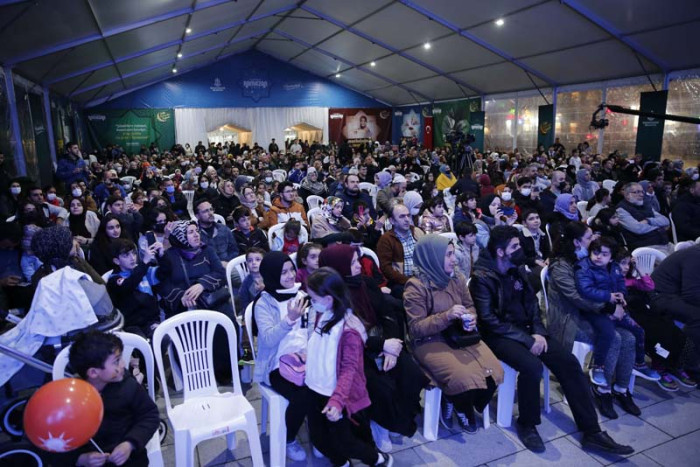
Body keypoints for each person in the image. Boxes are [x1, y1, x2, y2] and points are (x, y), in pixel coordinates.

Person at [470, 226, 634, 455]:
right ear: (500, 252)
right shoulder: (482, 277)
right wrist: (528, 340)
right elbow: (489, 321)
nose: (520, 250)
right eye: (515, 247)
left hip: (528, 331)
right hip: (499, 335)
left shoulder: (517, 269)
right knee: (532, 367)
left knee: (568, 362)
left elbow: (532, 306)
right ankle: (527, 424)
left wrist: (537, 332)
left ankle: (592, 431)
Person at [319, 244, 426, 448]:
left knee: (412, 374)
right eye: (353, 263)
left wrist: (392, 346)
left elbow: (387, 315)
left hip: (381, 342)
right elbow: (345, 338)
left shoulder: (365, 283)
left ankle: (398, 422)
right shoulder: (332, 297)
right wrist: (383, 345)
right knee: (380, 386)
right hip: (353, 354)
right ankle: (381, 423)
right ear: (339, 266)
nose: (359, 266)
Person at [403, 235, 503, 432]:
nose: (454, 259)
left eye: (453, 254)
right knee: (462, 376)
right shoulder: (416, 286)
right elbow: (415, 328)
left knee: (495, 372)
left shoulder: (457, 278)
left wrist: (471, 318)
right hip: (429, 340)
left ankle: (459, 399)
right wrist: (446, 316)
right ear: (433, 257)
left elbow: (469, 305)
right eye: (448, 255)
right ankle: (460, 404)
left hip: (459, 335)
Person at [546, 222, 637, 420]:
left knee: (630, 338)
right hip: (569, 320)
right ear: (577, 242)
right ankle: (602, 391)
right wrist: (610, 307)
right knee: (614, 338)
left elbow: (608, 284)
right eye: (589, 238)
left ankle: (621, 389)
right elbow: (577, 297)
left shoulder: (585, 260)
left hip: (591, 314)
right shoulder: (561, 266)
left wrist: (618, 302)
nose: (593, 240)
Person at [304, 267, 393, 467]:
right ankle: (342, 463)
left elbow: (349, 369)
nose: (311, 302)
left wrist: (337, 400)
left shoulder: (349, 330)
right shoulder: (323, 314)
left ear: (329, 298)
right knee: (318, 436)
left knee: (345, 441)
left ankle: (377, 459)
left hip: (338, 394)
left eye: (314, 298)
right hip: (315, 387)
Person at [574, 237, 659, 396]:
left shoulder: (614, 268)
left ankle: (640, 363)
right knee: (608, 332)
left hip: (613, 306)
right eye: (596, 252)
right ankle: (598, 366)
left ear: (612, 257)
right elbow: (585, 290)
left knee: (639, 330)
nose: (599, 257)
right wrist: (609, 297)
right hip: (594, 310)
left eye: (604, 254)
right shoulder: (583, 267)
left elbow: (621, 284)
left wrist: (621, 296)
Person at [65, 331, 159, 467]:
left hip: (130, 460)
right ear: (93, 372)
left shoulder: (129, 386)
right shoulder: (70, 398)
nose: (123, 364)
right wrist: (80, 459)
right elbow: (56, 441)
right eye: (116, 361)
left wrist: (129, 444)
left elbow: (150, 415)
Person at [252, 251, 313, 462]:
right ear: (271, 275)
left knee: (325, 382)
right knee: (302, 395)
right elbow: (268, 339)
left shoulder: (301, 295)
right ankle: (288, 438)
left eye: (291, 270)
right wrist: (289, 319)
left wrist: (311, 351)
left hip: (304, 358)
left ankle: (321, 435)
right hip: (276, 364)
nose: (290, 276)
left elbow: (310, 330)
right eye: (283, 272)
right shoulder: (263, 303)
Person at [156, 220, 236, 379]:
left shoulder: (207, 251)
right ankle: (195, 376)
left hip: (210, 300)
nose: (196, 235)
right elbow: (162, 284)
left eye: (197, 231)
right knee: (185, 331)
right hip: (184, 305)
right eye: (190, 232)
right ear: (180, 237)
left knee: (226, 321)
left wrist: (202, 285)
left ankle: (225, 371)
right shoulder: (169, 256)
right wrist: (181, 297)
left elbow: (220, 273)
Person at [617, 247, 696, 391]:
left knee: (670, 327)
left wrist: (639, 269)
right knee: (656, 334)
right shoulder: (612, 280)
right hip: (629, 313)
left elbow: (649, 285)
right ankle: (660, 367)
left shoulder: (631, 281)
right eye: (622, 263)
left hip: (643, 309)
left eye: (628, 264)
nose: (626, 267)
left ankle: (676, 365)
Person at [650, 244, 700, 367]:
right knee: (697, 316)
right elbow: (691, 294)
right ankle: (685, 361)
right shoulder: (695, 256)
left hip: (675, 295)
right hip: (658, 296)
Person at [107, 239, 161, 338]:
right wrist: (144, 263)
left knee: (164, 338)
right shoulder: (114, 279)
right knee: (141, 343)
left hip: (151, 320)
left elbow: (164, 272)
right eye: (126, 255)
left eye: (133, 253)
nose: (132, 258)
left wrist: (162, 255)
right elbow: (128, 285)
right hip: (131, 324)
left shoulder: (142, 269)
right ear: (116, 261)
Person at [376, 204, 426, 297]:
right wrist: (409, 281)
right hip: (401, 281)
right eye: (402, 216)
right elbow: (386, 269)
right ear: (392, 220)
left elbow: (428, 256)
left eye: (408, 215)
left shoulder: (417, 232)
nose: (407, 219)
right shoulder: (386, 240)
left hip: (423, 277)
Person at [615, 182, 672, 254]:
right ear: (627, 195)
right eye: (637, 192)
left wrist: (648, 221)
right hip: (646, 247)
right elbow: (638, 228)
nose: (641, 194)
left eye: (642, 192)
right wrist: (659, 226)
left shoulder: (645, 204)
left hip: (664, 242)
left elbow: (665, 220)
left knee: (684, 251)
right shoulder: (621, 209)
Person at [194, 199, 238, 266]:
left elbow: (234, 250)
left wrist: (228, 263)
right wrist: (217, 264)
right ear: (197, 216)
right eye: (205, 211)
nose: (210, 213)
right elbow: (196, 258)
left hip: (228, 265)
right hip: (208, 268)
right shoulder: (195, 234)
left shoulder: (224, 229)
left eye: (211, 209)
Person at [238, 247, 266, 314]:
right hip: (254, 311)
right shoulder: (246, 283)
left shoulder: (270, 277)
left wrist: (265, 289)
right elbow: (244, 303)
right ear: (247, 264)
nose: (253, 263)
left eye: (258, 259)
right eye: (250, 260)